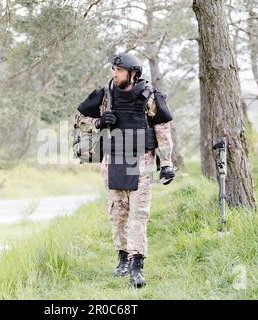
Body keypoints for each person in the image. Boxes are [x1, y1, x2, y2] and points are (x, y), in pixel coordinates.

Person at [74, 52, 175, 288]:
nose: (115, 74)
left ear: (133, 74)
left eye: (119, 71)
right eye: (113, 70)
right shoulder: (105, 96)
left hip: (141, 161)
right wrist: (98, 122)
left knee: (139, 214)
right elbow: (79, 119)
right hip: (112, 161)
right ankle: (122, 258)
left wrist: (167, 163)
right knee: (117, 214)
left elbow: (162, 129)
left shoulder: (149, 96)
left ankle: (136, 265)